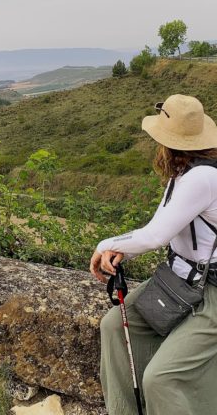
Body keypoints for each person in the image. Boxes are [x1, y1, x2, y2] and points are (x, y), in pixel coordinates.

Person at [89, 94, 217, 415]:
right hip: (180, 281)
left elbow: (155, 236)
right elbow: (159, 228)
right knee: (113, 326)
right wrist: (122, 251)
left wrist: (106, 245)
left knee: (161, 378)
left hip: (211, 291)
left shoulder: (203, 178)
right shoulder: (184, 174)